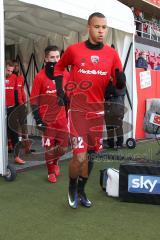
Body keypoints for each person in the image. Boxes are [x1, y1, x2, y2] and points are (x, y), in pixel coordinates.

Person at [54, 12, 125, 208]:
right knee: (79, 155)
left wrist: (120, 83)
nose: (101, 31)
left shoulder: (111, 54)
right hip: (77, 112)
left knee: (93, 154)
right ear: (89, 27)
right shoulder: (74, 50)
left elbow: (119, 82)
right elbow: (59, 68)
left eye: (104, 27)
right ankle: (72, 185)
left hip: (98, 113)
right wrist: (60, 90)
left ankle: (82, 190)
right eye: (97, 27)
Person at [30, 45, 69, 183]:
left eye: (58, 57)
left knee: (63, 147)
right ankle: (50, 172)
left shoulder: (65, 74)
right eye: (52, 57)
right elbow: (34, 100)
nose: (56, 60)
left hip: (62, 119)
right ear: (46, 59)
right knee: (49, 148)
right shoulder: (40, 77)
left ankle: (55, 162)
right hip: (47, 120)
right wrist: (38, 119)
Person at [5, 60, 25, 164]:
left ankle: (16, 157)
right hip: (1, 109)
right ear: (4, 68)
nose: (9, 73)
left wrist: (20, 106)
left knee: (14, 132)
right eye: (8, 70)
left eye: (11, 71)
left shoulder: (15, 78)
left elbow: (18, 92)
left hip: (11, 108)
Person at [12, 60, 32, 154]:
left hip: (21, 105)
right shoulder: (8, 78)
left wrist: (24, 102)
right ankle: (17, 144)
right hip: (12, 105)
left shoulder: (20, 77)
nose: (16, 68)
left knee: (24, 124)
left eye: (17, 66)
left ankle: (27, 146)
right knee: (15, 125)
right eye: (14, 66)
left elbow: (22, 91)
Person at [104, 76, 126, 149]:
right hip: (118, 109)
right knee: (118, 127)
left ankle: (112, 144)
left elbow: (106, 95)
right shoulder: (123, 85)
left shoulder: (110, 85)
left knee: (111, 127)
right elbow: (107, 95)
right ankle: (119, 143)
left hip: (111, 109)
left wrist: (110, 94)